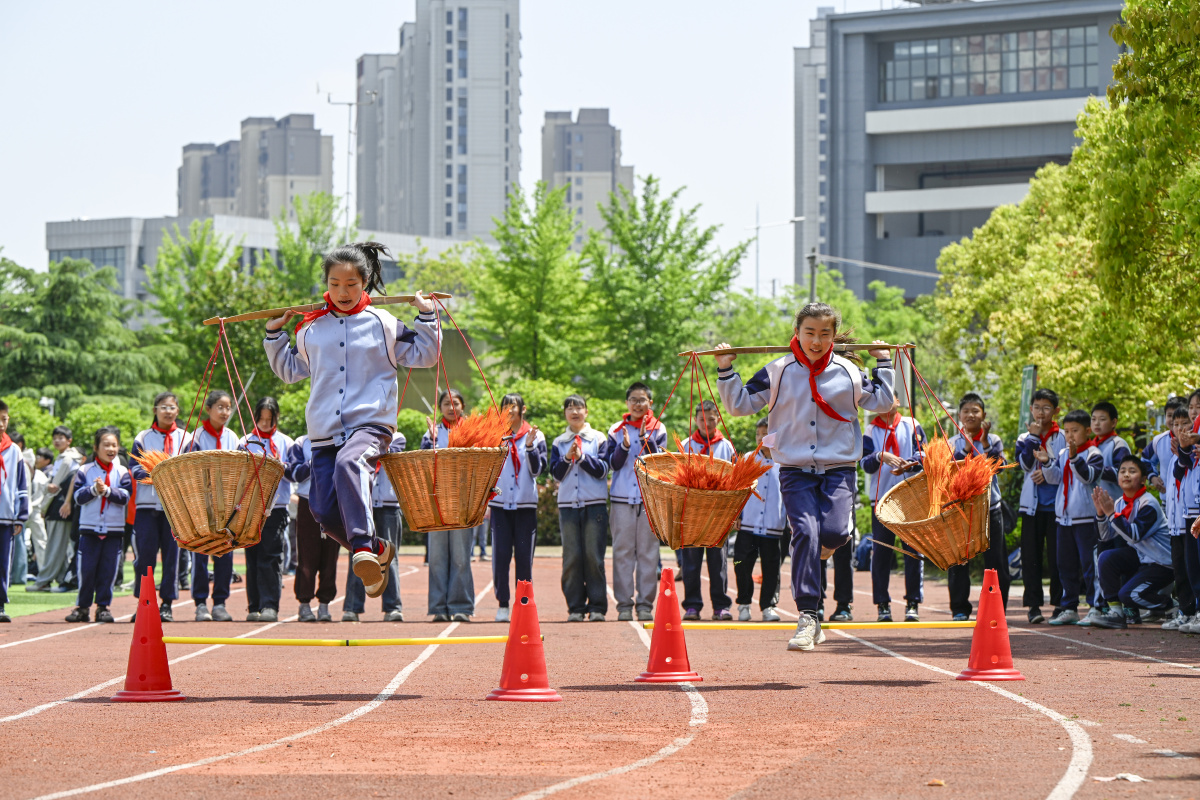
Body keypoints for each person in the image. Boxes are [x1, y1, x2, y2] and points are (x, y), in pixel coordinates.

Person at [264, 241, 440, 599]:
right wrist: (274, 335)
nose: (342, 292)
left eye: (351, 284)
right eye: (334, 284)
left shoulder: (383, 323)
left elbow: (425, 354)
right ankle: (377, 550)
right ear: (326, 284)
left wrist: (426, 317)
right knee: (322, 511)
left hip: (370, 424)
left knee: (350, 462)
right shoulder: (310, 329)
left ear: (365, 282)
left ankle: (361, 546)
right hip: (324, 431)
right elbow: (290, 370)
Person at [716, 301, 895, 651]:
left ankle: (818, 551)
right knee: (805, 532)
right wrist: (726, 369)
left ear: (833, 336)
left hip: (838, 468)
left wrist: (884, 363)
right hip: (795, 470)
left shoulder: (847, 371)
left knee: (836, 533)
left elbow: (883, 402)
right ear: (796, 333)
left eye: (824, 334)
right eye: (809, 332)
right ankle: (808, 615)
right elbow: (740, 405)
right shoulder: (778, 371)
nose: (816, 341)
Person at [606, 382, 668, 622]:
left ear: (650, 403)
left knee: (648, 554)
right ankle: (624, 605)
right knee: (622, 553)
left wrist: (645, 439)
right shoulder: (616, 429)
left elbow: (659, 464)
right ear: (627, 403)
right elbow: (613, 464)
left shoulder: (658, 428)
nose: (637, 404)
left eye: (642, 400)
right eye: (633, 399)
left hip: (648, 500)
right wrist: (624, 446)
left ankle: (645, 605)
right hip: (621, 499)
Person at [1089, 456, 1174, 628]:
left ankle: (1172, 605)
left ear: (1143, 479)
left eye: (1132, 471)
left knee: (1129, 595)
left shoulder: (1148, 503)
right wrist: (1101, 514)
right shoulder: (1120, 503)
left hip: (1162, 563)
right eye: (1122, 471)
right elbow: (1105, 537)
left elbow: (1134, 535)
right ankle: (1116, 613)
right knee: (1106, 557)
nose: (1126, 475)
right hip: (1142, 559)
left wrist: (1111, 513)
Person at [945, 392, 1009, 620]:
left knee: (995, 562)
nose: (970, 415)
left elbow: (998, 467)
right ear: (959, 416)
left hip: (990, 509)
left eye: (975, 411)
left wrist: (985, 443)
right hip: (961, 511)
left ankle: (996, 609)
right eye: (966, 411)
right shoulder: (951, 442)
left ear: (984, 415)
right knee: (958, 561)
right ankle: (960, 609)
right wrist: (965, 448)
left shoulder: (994, 440)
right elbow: (951, 472)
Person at [860, 399, 925, 622]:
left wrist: (909, 463)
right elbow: (864, 463)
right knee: (881, 553)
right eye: (882, 399)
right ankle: (882, 604)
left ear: (898, 401)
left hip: (909, 497)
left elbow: (924, 454)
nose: (887, 403)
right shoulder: (871, 430)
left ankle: (912, 603)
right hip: (881, 500)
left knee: (913, 550)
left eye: (891, 399)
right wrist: (880, 456)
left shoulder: (912, 424)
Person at [1037, 409, 1102, 625]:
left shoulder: (1093, 453)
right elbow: (1056, 478)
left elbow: (1088, 477)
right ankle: (1069, 607)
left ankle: (1096, 607)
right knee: (1065, 565)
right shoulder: (1064, 453)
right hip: (1063, 519)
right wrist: (1047, 463)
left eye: (1075, 431)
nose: (1070, 436)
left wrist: (1075, 457)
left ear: (1088, 431)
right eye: (1066, 431)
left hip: (1086, 518)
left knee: (1090, 565)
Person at [129, 391, 188, 622]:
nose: (167, 411)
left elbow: (192, 468)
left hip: (174, 508)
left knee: (172, 557)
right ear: (155, 410)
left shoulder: (186, 437)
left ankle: (167, 604)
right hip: (146, 506)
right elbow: (134, 468)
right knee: (144, 558)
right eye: (163, 407)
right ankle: (143, 603)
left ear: (177, 411)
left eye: (172, 407)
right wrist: (153, 473)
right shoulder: (143, 437)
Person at [550, 394, 609, 622]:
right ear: (564, 413)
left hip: (594, 505)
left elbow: (603, 470)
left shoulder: (598, 438)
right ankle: (575, 607)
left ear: (586, 411)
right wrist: (567, 458)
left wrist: (582, 457)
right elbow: (556, 474)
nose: (574, 412)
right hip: (568, 507)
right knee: (572, 558)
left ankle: (597, 607)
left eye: (579, 407)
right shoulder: (559, 442)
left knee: (594, 557)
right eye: (570, 408)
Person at [421, 389, 478, 623]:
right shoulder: (432, 432)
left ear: (462, 406)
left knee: (461, 557)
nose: (451, 407)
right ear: (440, 407)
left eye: (455, 402)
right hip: (437, 501)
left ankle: (461, 606)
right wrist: (431, 439)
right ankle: (438, 607)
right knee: (436, 557)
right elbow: (423, 463)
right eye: (446, 403)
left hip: (463, 501)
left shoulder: (473, 431)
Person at [488, 393, 546, 623]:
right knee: (501, 556)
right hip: (500, 505)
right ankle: (502, 603)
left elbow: (537, 470)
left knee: (523, 558)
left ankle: (523, 604)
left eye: (514, 406)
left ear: (523, 409)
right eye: (505, 406)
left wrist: (530, 447)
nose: (510, 410)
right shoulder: (494, 435)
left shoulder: (536, 435)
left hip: (525, 505)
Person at [64, 427, 130, 624]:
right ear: (96, 447)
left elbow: (125, 496)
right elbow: (78, 497)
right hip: (89, 529)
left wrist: (107, 491)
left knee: (108, 570)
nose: (110, 449)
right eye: (106, 445)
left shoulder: (122, 471)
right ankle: (82, 607)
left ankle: (103, 607)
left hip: (114, 530)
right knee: (86, 570)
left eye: (114, 445)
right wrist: (94, 489)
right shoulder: (85, 470)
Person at [678, 400, 735, 620]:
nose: (707, 423)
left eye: (711, 419)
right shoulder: (686, 445)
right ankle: (692, 606)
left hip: (718, 513)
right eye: (702, 419)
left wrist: (734, 513)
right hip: (692, 512)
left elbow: (736, 481)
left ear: (718, 419)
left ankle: (720, 606)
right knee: (691, 562)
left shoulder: (726, 446)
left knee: (717, 562)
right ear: (695, 420)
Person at [238, 397, 294, 623]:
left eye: (268, 419)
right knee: (252, 557)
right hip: (251, 508)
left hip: (276, 507)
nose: (264, 423)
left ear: (275, 418)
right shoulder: (245, 441)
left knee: (270, 557)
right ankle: (254, 605)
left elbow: (294, 473)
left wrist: (280, 467)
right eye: (260, 419)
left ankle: (270, 605)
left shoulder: (286, 442)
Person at [1078, 401, 1133, 627]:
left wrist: (1098, 468)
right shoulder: (1091, 446)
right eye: (1094, 419)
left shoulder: (1118, 444)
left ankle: (1124, 608)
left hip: (1118, 511)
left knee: (1117, 557)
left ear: (1114, 422)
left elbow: (1124, 473)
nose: (1097, 423)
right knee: (1100, 558)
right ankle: (1103, 606)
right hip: (1098, 511)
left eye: (1102, 419)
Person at [187, 390, 240, 622]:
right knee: (201, 553)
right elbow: (190, 469)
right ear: (208, 409)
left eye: (228, 407)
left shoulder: (233, 437)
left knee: (225, 553)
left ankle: (220, 603)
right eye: (220, 407)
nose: (225, 412)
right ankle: (200, 603)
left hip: (226, 506)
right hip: (202, 504)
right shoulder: (196, 437)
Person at [344, 430, 406, 622]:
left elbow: (387, 454)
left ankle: (392, 607)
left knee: (390, 556)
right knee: (359, 554)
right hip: (362, 504)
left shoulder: (398, 437)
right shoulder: (356, 436)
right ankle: (352, 608)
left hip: (388, 505)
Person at [1014, 388, 1064, 623]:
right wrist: (1033, 438)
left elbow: (1065, 467)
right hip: (1031, 509)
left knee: (1057, 558)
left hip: (1058, 509)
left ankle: (1060, 604)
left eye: (1046, 408)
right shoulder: (1024, 438)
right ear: (1031, 409)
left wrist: (1047, 471)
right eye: (1037, 407)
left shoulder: (1062, 437)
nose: (1041, 412)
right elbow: (1024, 464)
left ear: (1056, 411)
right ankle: (1033, 606)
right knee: (1031, 558)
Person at [733, 417, 784, 622]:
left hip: (774, 524)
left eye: (765, 433)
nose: (761, 438)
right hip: (748, 524)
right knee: (742, 564)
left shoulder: (785, 461)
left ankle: (768, 606)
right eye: (758, 434)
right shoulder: (748, 459)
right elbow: (737, 489)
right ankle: (744, 604)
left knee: (771, 568)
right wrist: (736, 515)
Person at [286, 434, 341, 622]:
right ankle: (304, 603)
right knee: (307, 555)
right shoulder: (301, 443)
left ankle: (325, 604)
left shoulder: (341, 439)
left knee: (330, 556)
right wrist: (315, 462)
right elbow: (293, 473)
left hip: (334, 502)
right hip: (307, 502)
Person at [32, 425, 82, 593]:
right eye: (55, 438)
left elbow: (56, 486)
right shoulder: (63, 458)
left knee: (54, 545)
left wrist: (64, 501)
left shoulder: (68, 459)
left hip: (61, 507)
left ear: (69, 441)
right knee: (59, 546)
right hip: (58, 506)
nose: (57, 441)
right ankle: (62, 579)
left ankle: (43, 580)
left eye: (61, 438)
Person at [1157, 406, 1194, 631]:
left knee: (1192, 571)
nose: (1179, 428)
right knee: (1180, 570)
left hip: (1188, 521)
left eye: (1185, 424)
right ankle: (1185, 611)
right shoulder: (1173, 456)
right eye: (1175, 424)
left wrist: (1184, 452)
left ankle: (1193, 611)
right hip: (1175, 524)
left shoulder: (1192, 453)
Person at [0, 400, 30, 623]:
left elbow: (21, 485)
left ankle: (0, 604)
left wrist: (21, 516)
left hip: (6, 516)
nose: (1, 424)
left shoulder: (14, 451)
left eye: (4, 419)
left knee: (3, 563)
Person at [25, 447, 53, 584]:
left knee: (41, 542)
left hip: (36, 510)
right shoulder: (23, 471)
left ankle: (44, 574)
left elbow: (48, 494)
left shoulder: (41, 475)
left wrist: (43, 509)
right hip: (21, 510)